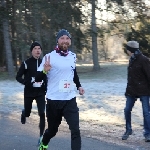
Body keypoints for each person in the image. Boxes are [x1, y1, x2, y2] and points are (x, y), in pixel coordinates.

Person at [35, 29, 85, 150]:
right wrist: (44, 71)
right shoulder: (49, 57)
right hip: (54, 100)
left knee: (75, 130)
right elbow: (37, 78)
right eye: (62, 38)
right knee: (52, 130)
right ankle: (44, 143)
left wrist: (79, 86)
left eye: (67, 38)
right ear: (57, 40)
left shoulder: (73, 56)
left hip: (70, 99)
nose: (65, 41)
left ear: (70, 41)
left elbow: (73, 73)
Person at [16, 41, 47, 145]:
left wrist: (46, 87)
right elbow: (18, 77)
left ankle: (41, 137)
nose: (38, 50)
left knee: (42, 113)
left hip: (40, 92)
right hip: (29, 92)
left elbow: (46, 76)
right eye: (35, 48)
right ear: (31, 51)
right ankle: (24, 112)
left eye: (39, 49)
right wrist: (26, 83)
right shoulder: (26, 63)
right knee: (28, 113)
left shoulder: (44, 63)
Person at [122, 40, 150, 142]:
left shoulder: (144, 60)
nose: (126, 51)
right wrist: (127, 90)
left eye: (127, 49)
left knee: (146, 112)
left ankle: (148, 134)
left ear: (130, 50)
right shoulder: (132, 60)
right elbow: (130, 77)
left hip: (144, 91)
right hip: (132, 91)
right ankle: (128, 130)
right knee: (127, 110)